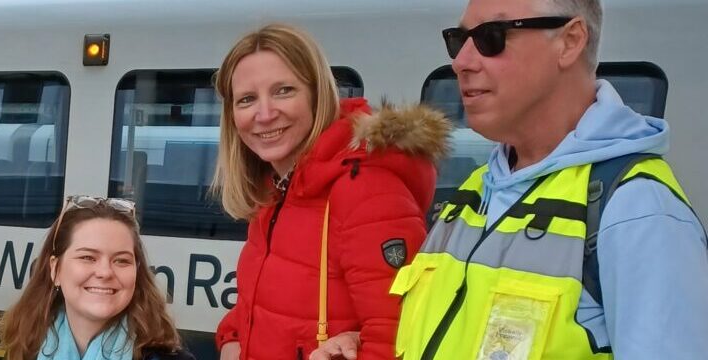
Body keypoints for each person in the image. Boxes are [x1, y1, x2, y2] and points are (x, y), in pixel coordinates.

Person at [392, 0, 708, 359]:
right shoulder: (475, 190)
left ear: (570, 41)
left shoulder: (637, 210)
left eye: (490, 37)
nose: (461, 61)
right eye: (457, 39)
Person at [210, 24, 450, 360]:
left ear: (316, 94)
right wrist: (233, 338)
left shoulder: (366, 190)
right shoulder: (277, 189)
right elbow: (269, 302)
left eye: (283, 91)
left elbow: (397, 337)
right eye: (247, 99)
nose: (264, 114)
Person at [0, 195, 193, 360]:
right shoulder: (25, 349)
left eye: (121, 261)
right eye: (87, 257)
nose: (105, 272)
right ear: (55, 269)